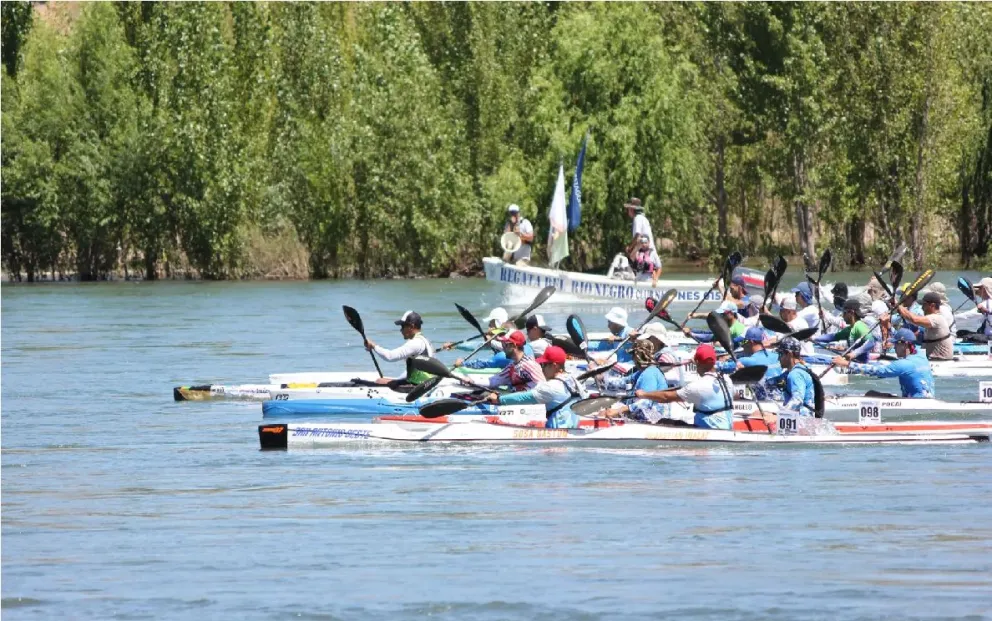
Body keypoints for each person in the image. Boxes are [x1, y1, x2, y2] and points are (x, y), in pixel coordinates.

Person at [635, 344, 736, 430]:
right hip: (727, 428)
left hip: (708, 431)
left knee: (663, 421)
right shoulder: (727, 380)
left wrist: (643, 394)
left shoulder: (698, 386)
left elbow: (666, 397)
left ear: (696, 362)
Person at [489, 345, 587, 429]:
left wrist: (499, 399)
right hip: (573, 429)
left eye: (544, 365)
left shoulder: (551, 387)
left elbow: (524, 397)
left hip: (556, 442)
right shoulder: (574, 381)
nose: (541, 368)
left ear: (555, 366)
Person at [831, 328, 935, 398]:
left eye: (896, 344)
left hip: (915, 404)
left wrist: (847, 364)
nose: (894, 347)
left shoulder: (905, 364)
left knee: (871, 395)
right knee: (872, 394)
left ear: (905, 344)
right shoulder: (921, 355)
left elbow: (878, 371)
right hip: (925, 399)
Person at [599, 330, 671, 423]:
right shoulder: (642, 372)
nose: (632, 358)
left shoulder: (649, 373)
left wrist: (618, 411)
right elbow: (623, 382)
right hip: (645, 414)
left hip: (655, 420)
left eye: (633, 355)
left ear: (638, 356)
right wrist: (601, 378)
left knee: (608, 413)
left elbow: (645, 403)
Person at [364, 310, 435, 385]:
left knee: (379, 381)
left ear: (411, 326)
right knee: (383, 380)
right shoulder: (425, 341)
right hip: (425, 382)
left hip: (417, 385)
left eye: (403, 326)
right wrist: (396, 380)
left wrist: (373, 346)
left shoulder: (415, 343)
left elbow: (390, 356)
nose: (401, 330)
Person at [716, 327, 781, 400]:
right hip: (780, 399)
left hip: (764, 402)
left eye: (744, 341)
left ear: (751, 341)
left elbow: (719, 367)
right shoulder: (777, 356)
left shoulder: (747, 361)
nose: (743, 345)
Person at [765, 337, 820, 417]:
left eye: (780, 354)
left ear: (789, 354)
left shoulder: (795, 374)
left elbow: (797, 400)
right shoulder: (801, 369)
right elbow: (769, 383)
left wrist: (778, 416)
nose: (778, 358)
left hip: (801, 422)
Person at [471, 330, 542, 391]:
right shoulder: (512, 367)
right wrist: (471, 380)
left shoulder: (530, 365)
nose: (503, 348)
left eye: (505, 345)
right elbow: (494, 380)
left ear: (514, 346)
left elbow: (543, 387)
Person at [812, 296, 875, 363]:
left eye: (844, 313)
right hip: (853, 363)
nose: (842, 316)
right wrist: (813, 338)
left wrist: (855, 353)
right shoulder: (849, 329)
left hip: (862, 366)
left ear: (851, 312)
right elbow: (831, 337)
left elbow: (871, 343)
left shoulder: (860, 326)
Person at [895, 291, 954, 360]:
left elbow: (914, 320)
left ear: (932, 305)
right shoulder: (932, 318)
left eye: (924, 305)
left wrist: (898, 305)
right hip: (931, 357)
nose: (922, 308)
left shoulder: (936, 318)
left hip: (940, 360)